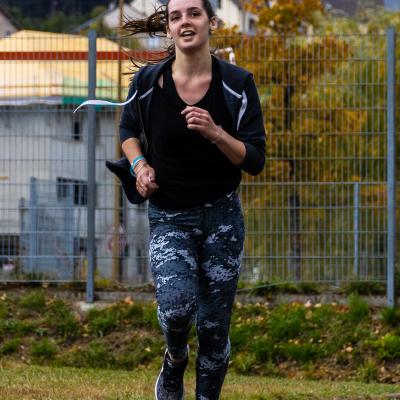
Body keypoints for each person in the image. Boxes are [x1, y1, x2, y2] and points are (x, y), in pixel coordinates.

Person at [114, 0, 265, 398]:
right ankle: (175, 358)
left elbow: (255, 160)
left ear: (211, 22)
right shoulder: (148, 82)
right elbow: (128, 131)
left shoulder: (237, 84)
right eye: (175, 16)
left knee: (214, 330)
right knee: (176, 309)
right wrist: (140, 167)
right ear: (168, 28)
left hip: (222, 218)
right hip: (170, 217)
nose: (185, 22)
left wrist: (216, 133)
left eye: (194, 13)